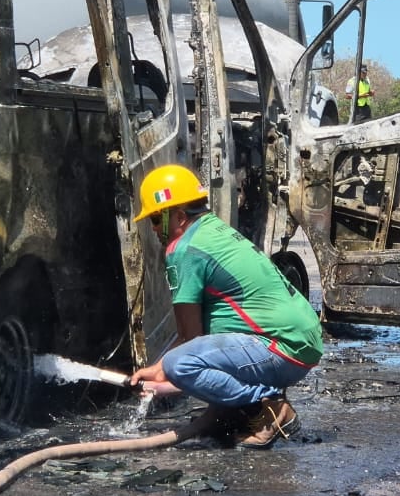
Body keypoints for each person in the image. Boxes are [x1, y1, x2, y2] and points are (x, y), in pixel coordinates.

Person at [128, 164, 323, 449]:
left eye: (157, 219)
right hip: (300, 342)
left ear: (179, 216)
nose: (154, 229)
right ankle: (237, 411)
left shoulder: (183, 250)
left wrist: (162, 370)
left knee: (179, 362)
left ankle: (267, 410)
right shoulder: (214, 231)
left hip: (282, 350)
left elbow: (189, 340)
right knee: (204, 338)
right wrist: (161, 374)